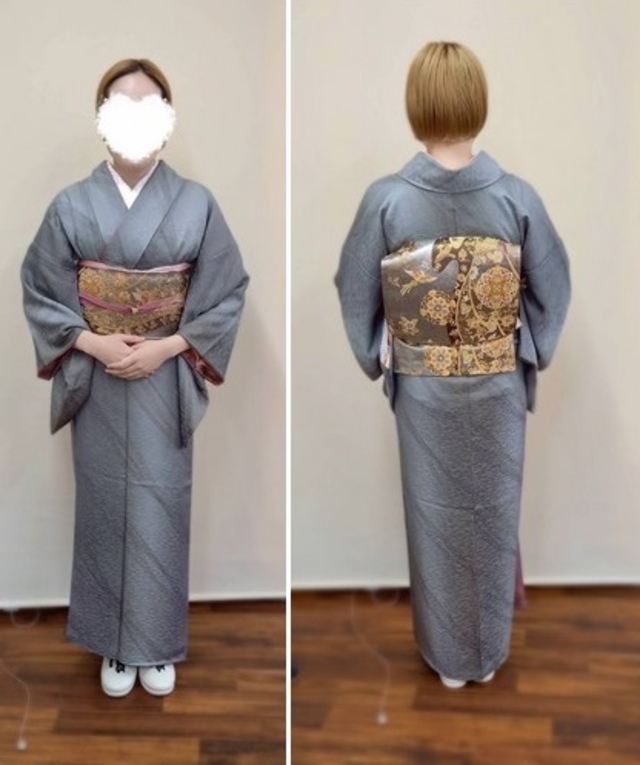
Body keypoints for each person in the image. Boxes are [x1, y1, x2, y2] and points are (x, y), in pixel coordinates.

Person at [335, 41, 570, 689]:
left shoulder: (387, 200)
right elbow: (552, 286)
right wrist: (523, 350)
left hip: (424, 391)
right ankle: (485, 653)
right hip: (496, 385)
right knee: (490, 511)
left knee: (436, 514)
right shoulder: (516, 196)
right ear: (478, 102)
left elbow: (354, 288)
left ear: (416, 105)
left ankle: (450, 659)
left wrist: (387, 353)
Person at [21, 59, 249, 698]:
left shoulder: (196, 203)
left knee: (160, 503)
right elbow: (41, 286)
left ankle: (154, 644)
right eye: (122, 106)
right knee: (104, 504)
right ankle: (113, 647)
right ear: (101, 118)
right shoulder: (72, 204)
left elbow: (226, 290)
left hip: (164, 376)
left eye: (150, 106)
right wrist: (91, 341)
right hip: (96, 378)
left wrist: (169, 345)